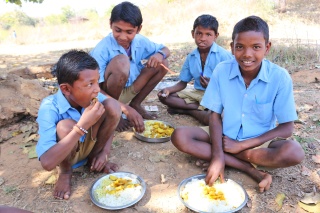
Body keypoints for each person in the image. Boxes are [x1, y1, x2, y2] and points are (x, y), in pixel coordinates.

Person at [171, 16, 304, 193]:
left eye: (256, 47)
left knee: (294, 152)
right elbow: (215, 115)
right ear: (232, 47)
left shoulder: (279, 77)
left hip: (259, 142)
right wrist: (218, 157)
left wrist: (241, 146)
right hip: (225, 136)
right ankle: (249, 169)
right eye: (240, 47)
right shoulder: (222, 70)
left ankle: (231, 156)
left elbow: (287, 128)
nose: (247, 54)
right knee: (179, 136)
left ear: (267, 47)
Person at [36, 50, 121, 200]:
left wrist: (104, 152)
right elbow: (47, 163)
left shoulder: (93, 96)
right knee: (65, 126)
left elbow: (111, 120)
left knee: (112, 106)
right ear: (66, 89)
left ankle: (94, 158)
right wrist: (82, 125)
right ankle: (66, 171)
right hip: (65, 154)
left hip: (91, 146)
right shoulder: (49, 108)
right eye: (90, 84)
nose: (97, 89)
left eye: (97, 81)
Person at [90, 1, 170, 133]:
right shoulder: (102, 49)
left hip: (130, 89)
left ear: (138, 29)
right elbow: (94, 91)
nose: (123, 36)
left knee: (163, 63)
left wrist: (160, 54)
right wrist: (123, 109)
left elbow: (165, 49)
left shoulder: (140, 41)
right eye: (118, 30)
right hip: (106, 97)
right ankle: (113, 113)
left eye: (129, 32)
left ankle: (136, 104)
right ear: (110, 24)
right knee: (122, 61)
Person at [158, 14, 232, 125]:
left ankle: (188, 111)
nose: (202, 38)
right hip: (197, 93)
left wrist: (212, 85)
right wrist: (168, 89)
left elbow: (231, 85)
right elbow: (183, 83)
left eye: (208, 34)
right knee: (165, 97)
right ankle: (200, 108)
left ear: (216, 36)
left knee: (211, 119)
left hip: (216, 95)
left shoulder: (224, 56)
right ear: (193, 34)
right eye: (199, 33)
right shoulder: (192, 56)